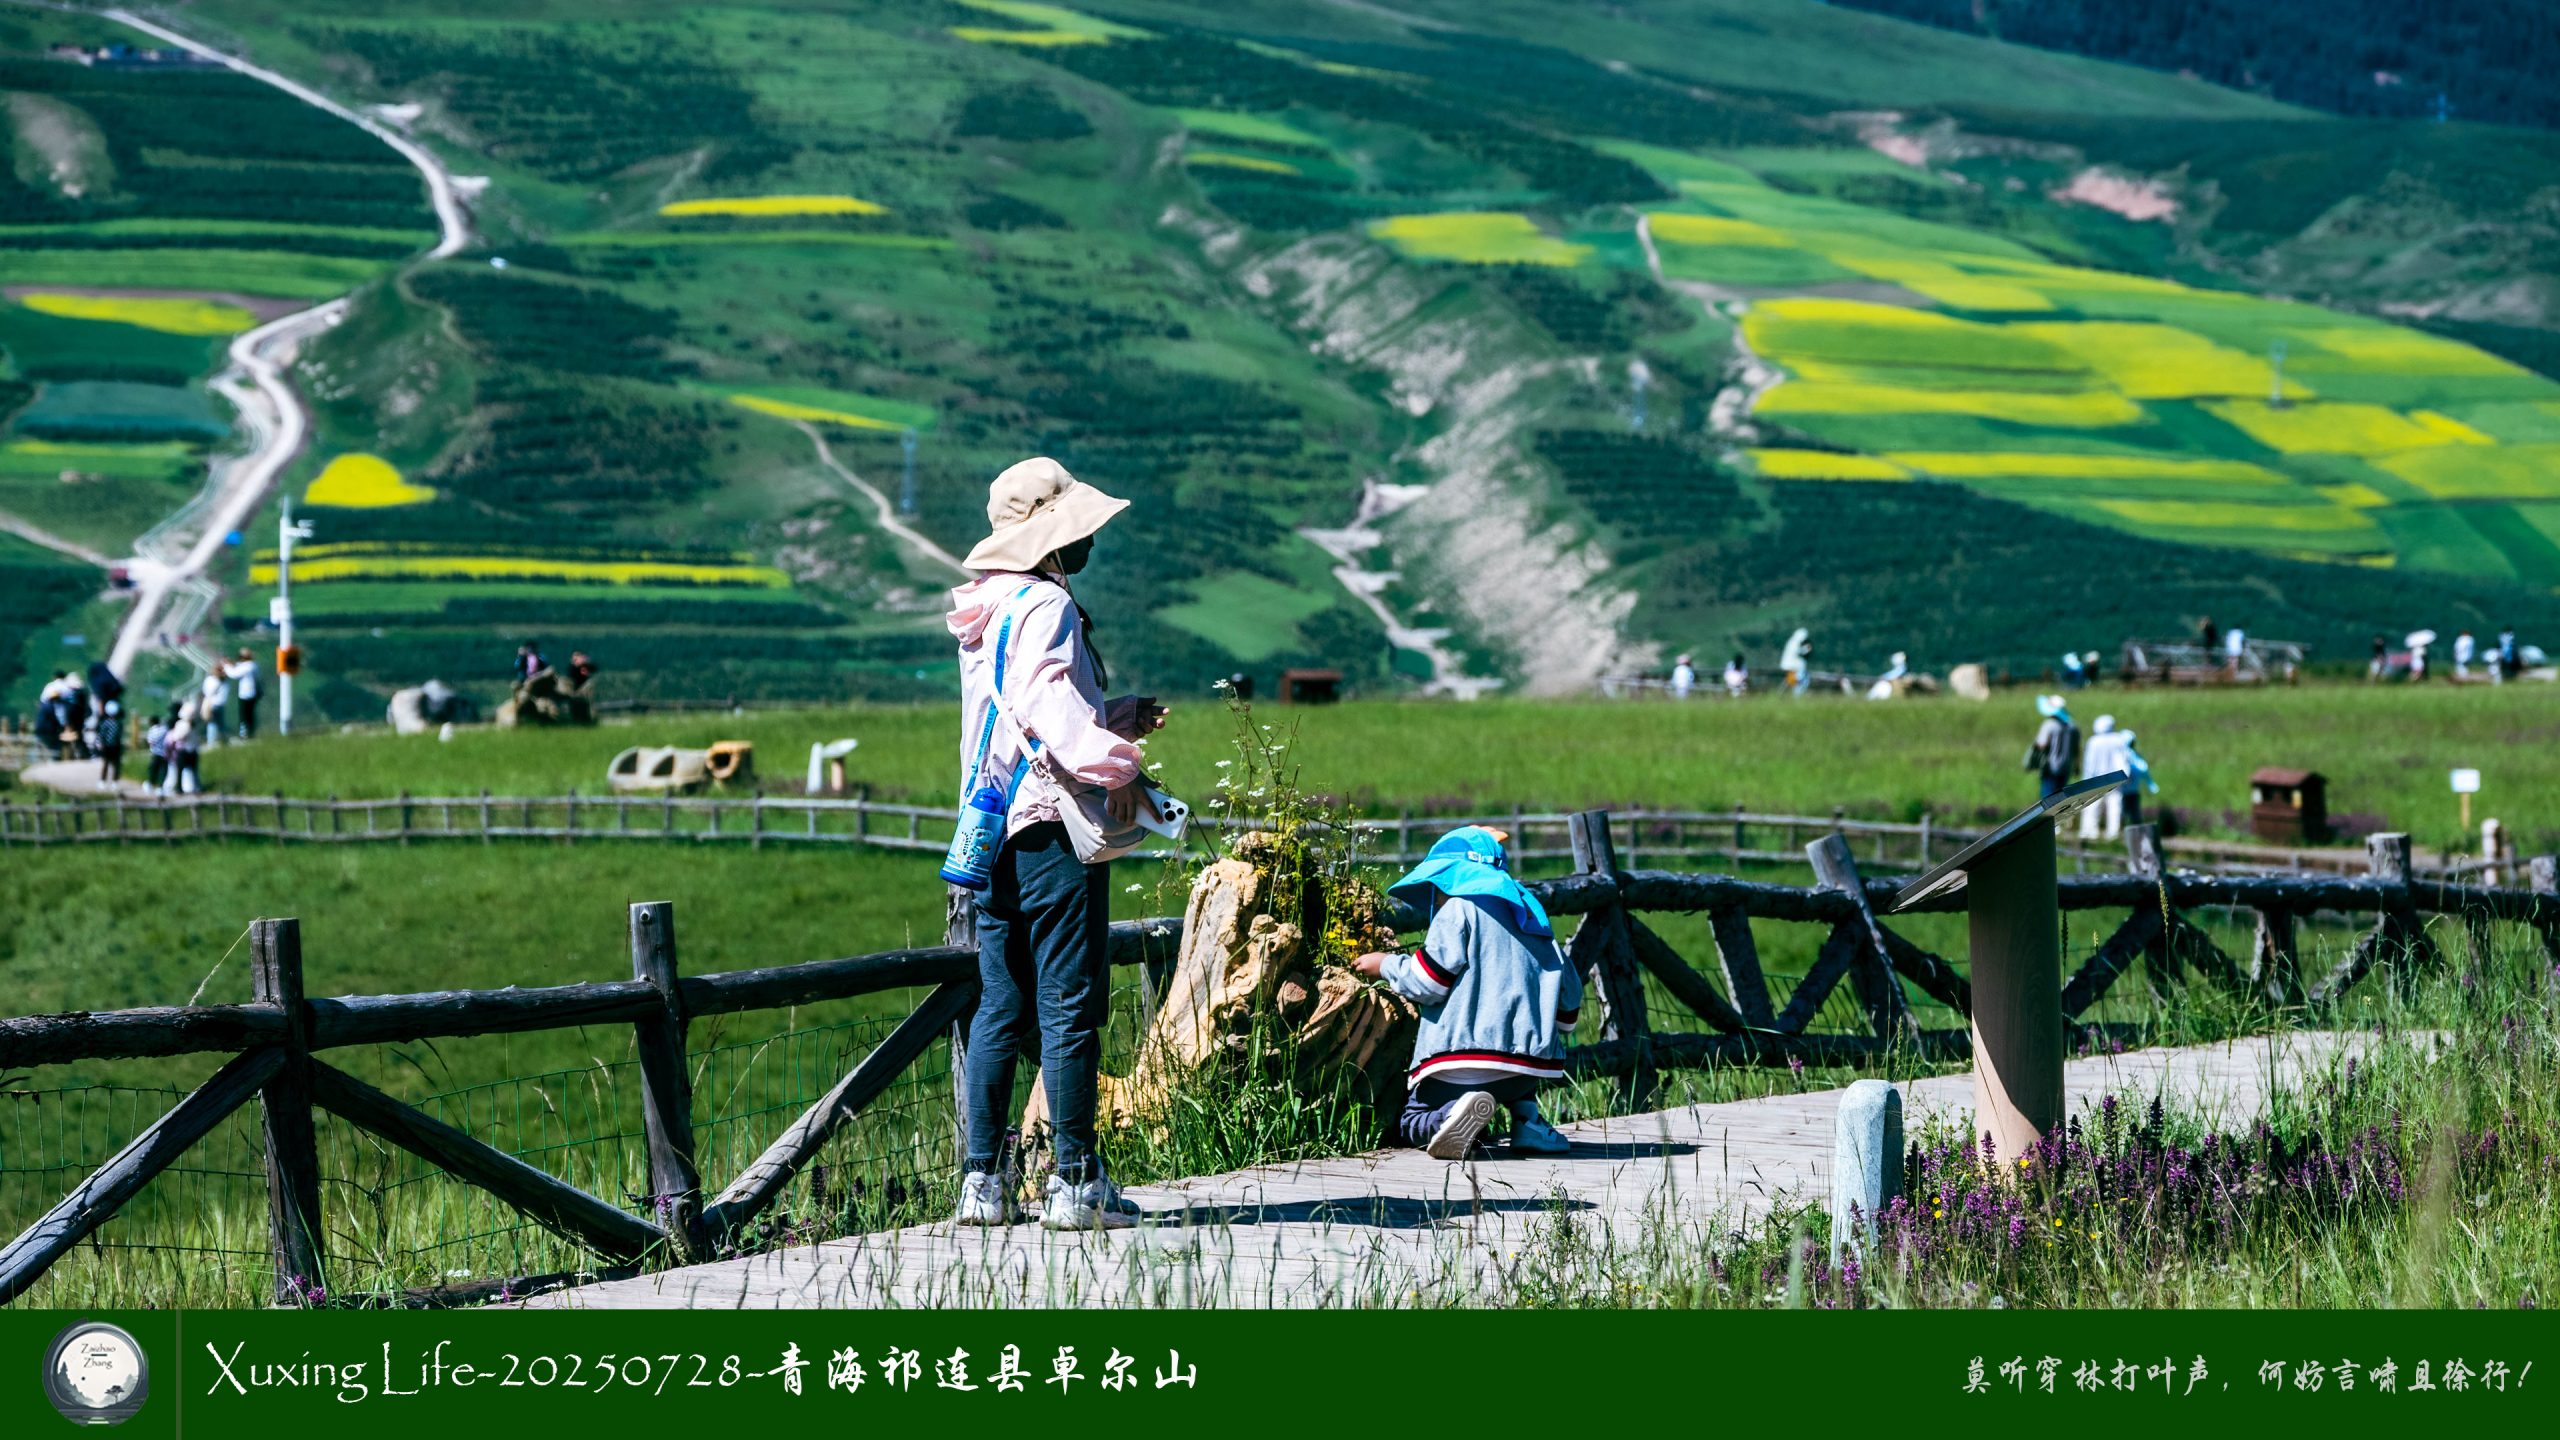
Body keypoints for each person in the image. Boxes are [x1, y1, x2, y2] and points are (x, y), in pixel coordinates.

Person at [947, 457, 1165, 1232]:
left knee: (1001, 1002)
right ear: (1050, 538)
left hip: (995, 821)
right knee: (1070, 1000)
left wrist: (1111, 711)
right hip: (1052, 822)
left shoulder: (987, 609)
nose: (1092, 544)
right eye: (1081, 530)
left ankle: (983, 1181)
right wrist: (1122, 762)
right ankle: (1075, 1182)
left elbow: (1009, 716)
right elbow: (1050, 712)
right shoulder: (1048, 607)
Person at [1354, 826, 1579, 1160]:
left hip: (1459, 1066)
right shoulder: (1531, 916)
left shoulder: (1459, 910)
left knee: (1411, 1120)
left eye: (1438, 886)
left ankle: (1451, 1117)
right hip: (1526, 1071)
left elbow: (1427, 983)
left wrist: (1386, 964)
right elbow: (1568, 1009)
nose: (1436, 895)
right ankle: (1527, 1121)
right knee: (1518, 1030)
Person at [2076, 715, 2157, 840]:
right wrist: (2126, 775)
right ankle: (2113, 832)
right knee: (2115, 805)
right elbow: (2123, 760)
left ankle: (2090, 831)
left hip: (2096, 778)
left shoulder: (2093, 741)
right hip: (2114, 778)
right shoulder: (2118, 739)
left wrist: (2086, 778)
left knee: (2093, 805)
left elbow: (2089, 763)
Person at [2022, 694, 2079, 801]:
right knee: (2061, 798)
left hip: (2051, 767)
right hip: (2066, 766)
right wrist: (2077, 766)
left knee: (2048, 798)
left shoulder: (2049, 725)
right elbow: (2076, 749)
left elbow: (2042, 744)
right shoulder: (2073, 726)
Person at [228, 648, 261, 738]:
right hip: (252, 693)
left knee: (244, 715)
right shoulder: (253, 665)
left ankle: (244, 734)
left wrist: (226, 666)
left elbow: (234, 674)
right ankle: (250, 732)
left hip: (246, 694)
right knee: (250, 715)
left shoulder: (248, 666)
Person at [94, 697, 125, 786]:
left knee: (106, 764)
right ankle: (114, 781)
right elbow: (119, 736)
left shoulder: (105, 723)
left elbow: (101, 734)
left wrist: (100, 743)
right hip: (115, 746)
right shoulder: (119, 723)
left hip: (107, 746)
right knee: (115, 764)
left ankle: (102, 781)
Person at [197, 665, 227, 749]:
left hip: (209, 703)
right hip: (218, 703)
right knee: (220, 722)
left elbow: (205, 691)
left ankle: (211, 741)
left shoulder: (208, 680)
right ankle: (222, 739)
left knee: (211, 722)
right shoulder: (221, 681)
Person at [144, 709, 170, 791]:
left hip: (155, 753)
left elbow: (150, 742)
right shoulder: (165, 729)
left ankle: (150, 784)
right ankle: (161, 786)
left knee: (153, 770)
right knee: (163, 771)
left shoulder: (151, 730)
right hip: (165, 754)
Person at [1780, 628, 1811, 696]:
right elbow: (1796, 652)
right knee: (1801, 672)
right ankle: (1798, 692)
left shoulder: (1792, 641)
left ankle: (1798, 690)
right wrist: (1805, 649)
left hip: (1791, 664)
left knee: (1798, 675)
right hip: (1791, 664)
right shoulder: (1793, 642)